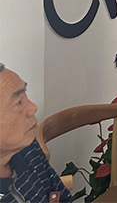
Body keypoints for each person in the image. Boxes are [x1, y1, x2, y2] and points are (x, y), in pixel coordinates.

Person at [0, 64, 72, 203]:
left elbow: (60, 198)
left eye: (25, 94)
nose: (33, 107)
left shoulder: (27, 147)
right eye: (19, 101)